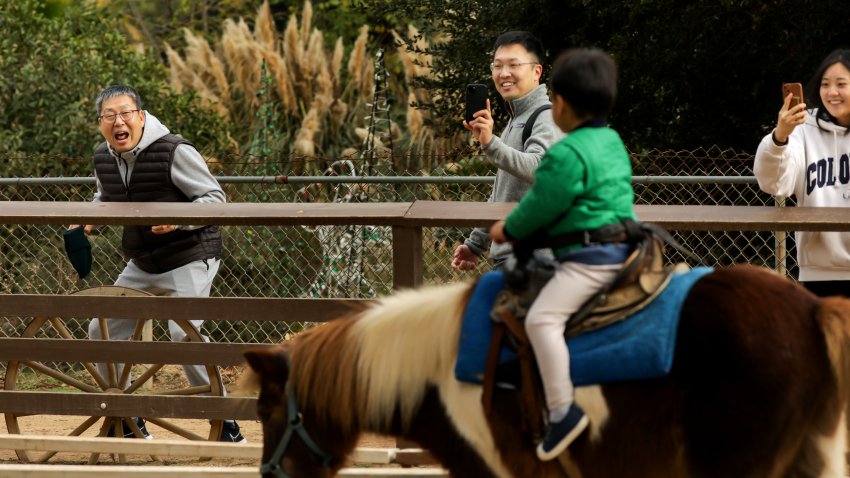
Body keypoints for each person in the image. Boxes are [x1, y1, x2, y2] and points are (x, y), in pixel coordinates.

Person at [72, 84, 245, 443]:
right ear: (100, 123)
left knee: (184, 333)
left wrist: (178, 219)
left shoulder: (173, 150)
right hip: (143, 260)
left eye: (125, 113)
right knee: (100, 327)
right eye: (109, 116)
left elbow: (214, 198)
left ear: (140, 116)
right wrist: (91, 217)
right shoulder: (103, 157)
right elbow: (106, 196)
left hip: (190, 253)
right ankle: (128, 419)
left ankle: (226, 423)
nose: (118, 121)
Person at [489, 48, 636, 460]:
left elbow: (541, 206)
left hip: (589, 259)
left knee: (541, 319)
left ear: (563, 105)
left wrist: (506, 229)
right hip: (626, 247)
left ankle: (561, 412)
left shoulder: (566, 154)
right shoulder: (610, 141)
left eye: (553, 100)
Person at [452, 30, 562, 271]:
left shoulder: (547, 117)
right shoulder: (517, 118)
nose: (504, 74)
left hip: (535, 259)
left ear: (536, 72)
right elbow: (504, 194)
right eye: (498, 65)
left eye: (514, 65)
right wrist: (475, 244)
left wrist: (491, 143)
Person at [755, 49, 850, 297]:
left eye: (841, 84)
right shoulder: (803, 128)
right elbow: (776, 183)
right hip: (820, 271)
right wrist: (781, 135)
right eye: (825, 84)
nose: (832, 92)